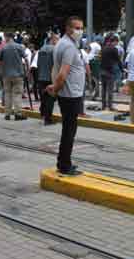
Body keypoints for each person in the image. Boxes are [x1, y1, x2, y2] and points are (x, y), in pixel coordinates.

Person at [47, 16, 86, 175]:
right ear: (68, 28)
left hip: (67, 93)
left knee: (68, 129)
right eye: (76, 28)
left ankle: (63, 161)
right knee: (69, 131)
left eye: (81, 28)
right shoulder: (69, 47)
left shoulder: (61, 43)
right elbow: (63, 73)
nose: (79, 31)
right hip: (71, 94)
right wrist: (56, 87)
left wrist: (54, 87)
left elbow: (55, 69)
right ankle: (64, 165)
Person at [0, 32, 28, 121]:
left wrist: (1, 71)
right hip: (18, 74)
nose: (4, 39)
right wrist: (27, 69)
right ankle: (17, 113)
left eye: (5, 37)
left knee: (7, 94)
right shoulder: (19, 46)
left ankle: (7, 114)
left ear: (8, 37)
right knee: (17, 94)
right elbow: (25, 58)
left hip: (6, 75)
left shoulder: (3, 48)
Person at [37, 34, 58, 124]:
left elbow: (38, 63)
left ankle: (42, 113)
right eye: (57, 40)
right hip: (50, 77)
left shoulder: (41, 49)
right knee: (50, 99)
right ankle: (48, 119)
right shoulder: (54, 50)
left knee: (44, 97)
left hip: (41, 76)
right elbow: (56, 65)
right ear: (53, 40)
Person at [100, 36, 123, 111]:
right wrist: (122, 69)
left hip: (102, 70)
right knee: (110, 90)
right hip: (110, 72)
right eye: (116, 42)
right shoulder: (114, 49)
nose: (117, 44)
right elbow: (118, 60)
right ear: (115, 41)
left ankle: (103, 105)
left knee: (103, 89)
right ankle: (110, 106)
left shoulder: (103, 48)